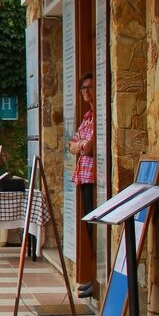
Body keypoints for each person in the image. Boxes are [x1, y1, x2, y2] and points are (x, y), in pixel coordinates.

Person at [68, 72, 96, 299]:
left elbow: (91, 146)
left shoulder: (99, 116)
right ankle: (93, 277)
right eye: (82, 88)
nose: (86, 92)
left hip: (96, 178)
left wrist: (83, 146)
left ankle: (98, 280)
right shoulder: (87, 116)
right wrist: (81, 146)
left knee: (96, 229)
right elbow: (73, 145)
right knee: (88, 228)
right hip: (84, 177)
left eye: (89, 87)